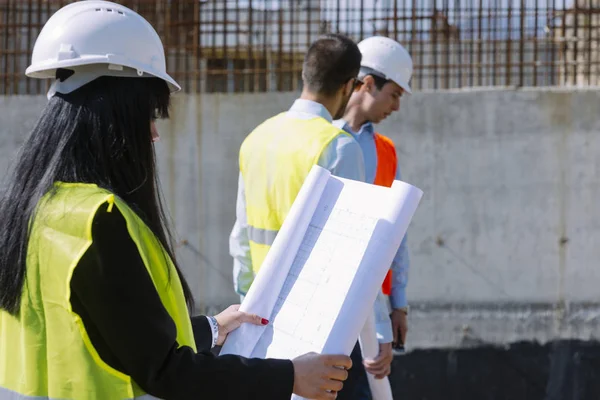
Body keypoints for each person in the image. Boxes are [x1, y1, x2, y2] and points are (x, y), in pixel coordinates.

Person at [0, 2, 351, 399]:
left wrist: (213, 328)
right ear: (112, 113)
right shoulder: (99, 220)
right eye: (149, 114)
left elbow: (115, 331)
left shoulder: (29, 210)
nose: (153, 133)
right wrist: (289, 377)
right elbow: (166, 371)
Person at [229, 33, 393, 399]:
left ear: (306, 75)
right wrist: (379, 334)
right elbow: (358, 254)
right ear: (350, 85)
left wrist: (245, 306)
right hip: (319, 323)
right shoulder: (336, 146)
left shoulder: (257, 138)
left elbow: (241, 237)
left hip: (260, 316)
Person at [334, 35, 414, 398]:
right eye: (394, 94)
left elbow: (394, 232)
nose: (396, 107)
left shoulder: (386, 151)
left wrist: (398, 304)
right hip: (328, 310)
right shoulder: (320, 143)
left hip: (371, 312)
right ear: (368, 83)